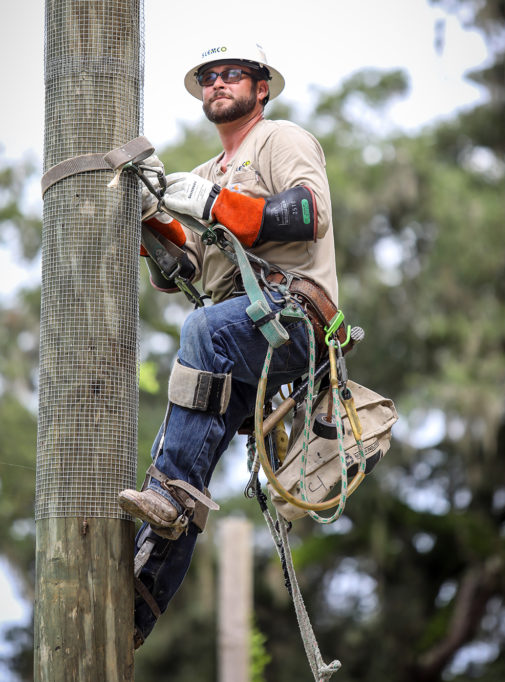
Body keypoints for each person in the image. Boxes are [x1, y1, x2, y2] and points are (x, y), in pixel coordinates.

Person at [118, 41, 338, 648]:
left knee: (200, 335)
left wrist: (208, 202)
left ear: (260, 87)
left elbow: (305, 215)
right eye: (208, 77)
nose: (217, 83)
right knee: (185, 442)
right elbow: (182, 272)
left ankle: (163, 498)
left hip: (292, 319)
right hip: (236, 339)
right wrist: (154, 219)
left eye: (230, 75)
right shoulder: (210, 172)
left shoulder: (281, 141)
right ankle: (140, 600)